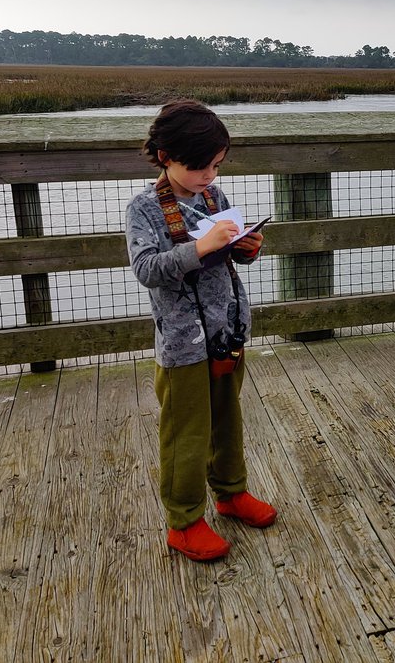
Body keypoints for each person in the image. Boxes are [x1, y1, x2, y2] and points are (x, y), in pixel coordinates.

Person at [126, 99, 277, 562]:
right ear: (165, 156)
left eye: (216, 165)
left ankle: (231, 493)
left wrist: (246, 246)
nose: (209, 176)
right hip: (181, 343)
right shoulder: (145, 209)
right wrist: (200, 247)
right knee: (186, 433)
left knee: (227, 418)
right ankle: (184, 521)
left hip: (226, 329)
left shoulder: (215, 198)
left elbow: (228, 256)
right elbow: (147, 268)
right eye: (199, 166)